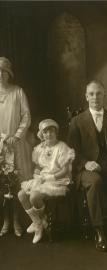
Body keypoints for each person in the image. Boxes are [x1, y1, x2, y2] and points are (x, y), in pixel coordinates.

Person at [67, 80, 107, 252]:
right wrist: (85, 163)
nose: (95, 97)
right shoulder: (77, 121)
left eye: (99, 93)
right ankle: (99, 230)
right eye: (92, 94)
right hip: (86, 167)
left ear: (103, 96)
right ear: (86, 96)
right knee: (95, 183)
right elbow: (71, 151)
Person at [18, 119, 75, 244]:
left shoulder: (62, 147)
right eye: (45, 132)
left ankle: (38, 224)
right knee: (21, 195)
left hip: (58, 180)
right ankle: (39, 222)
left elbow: (65, 171)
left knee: (34, 197)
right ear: (42, 134)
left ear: (56, 133)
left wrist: (49, 178)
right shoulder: (40, 148)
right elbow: (38, 166)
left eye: (51, 131)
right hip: (43, 179)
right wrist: (37, 176)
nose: (48, 134)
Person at [0, 57, 32, 237]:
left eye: (4, 71)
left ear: (9, 74)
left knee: (16, 183)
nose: (0, 75)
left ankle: (17, 219)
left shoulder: (18, 92)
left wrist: (17, 136)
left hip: (15, 144)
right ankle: (5, 220)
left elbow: (26, 116)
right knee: (3, 184)